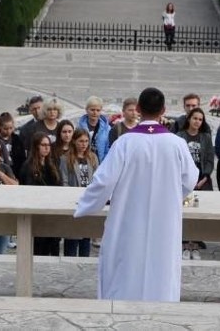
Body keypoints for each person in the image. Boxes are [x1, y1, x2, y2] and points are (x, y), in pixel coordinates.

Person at [75, 87, 197, 302]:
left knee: (127, 264)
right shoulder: (177, 144)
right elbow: (189, 180)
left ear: (138, 109)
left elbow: (104, 180)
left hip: (128, 217)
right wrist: (168, 195)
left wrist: (86, 205)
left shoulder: (124, 143)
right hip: (164, 219)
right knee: (161, 265)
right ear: (164, 110)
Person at [175, 107, 213, 260]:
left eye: (200, 119)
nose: (197, 121)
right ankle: (184, 243)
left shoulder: (205, 137)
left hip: (201, 181)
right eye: (195, 118)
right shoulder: (180, 136)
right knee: (185, 212)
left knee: (197, 212)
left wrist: (204, 177)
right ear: (189, 119)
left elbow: (210, 159)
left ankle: (195, 244)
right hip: (184, 182)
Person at [20, 132, 62, 256]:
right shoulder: (28, 166)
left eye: (48, 145)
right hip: (38, 212)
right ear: (36, 146)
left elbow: (59, 184)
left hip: (53, 210)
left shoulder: (52, 164)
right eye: (43, 145)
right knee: (39, 248)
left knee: (54, 245)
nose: (46, 148)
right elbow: (29, 189)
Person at [60, 128, 98, 257]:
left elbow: (97, 177)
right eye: (81, 141)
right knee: (72, 236)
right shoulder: (66, 159)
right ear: (74, 141)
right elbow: (64, 181)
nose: (84, 144)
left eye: (86, 141)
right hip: (74, 200)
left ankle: (84, 258)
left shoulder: (92, 157)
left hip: (88, 199)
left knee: (86, 236)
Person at [77, 96, 111, 162]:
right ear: (86, 110)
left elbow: (108, 149)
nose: (95, 113)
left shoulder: (107, 129)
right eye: (92, 110)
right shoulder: (79, 127)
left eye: (98, 110)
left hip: (101, 163)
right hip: (83, 163)